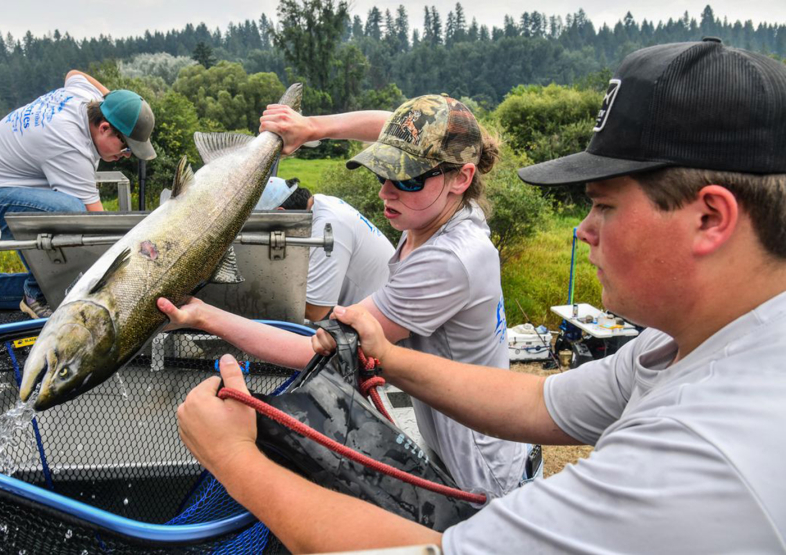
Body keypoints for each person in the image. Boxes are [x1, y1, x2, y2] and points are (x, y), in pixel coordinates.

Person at [174, 39, 786, 553]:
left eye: (603, 204)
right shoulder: (676, 346)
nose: (583, 230)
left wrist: (235, 459)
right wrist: (385, 354)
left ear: (711, 218)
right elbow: (541, 400)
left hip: (480, 475)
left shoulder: (700, 454)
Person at [161, 94, 529, 498]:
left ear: (462, 177)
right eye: (382, 174)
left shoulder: (448, 259)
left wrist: (205, 317)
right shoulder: (441, 207)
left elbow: (316, 351)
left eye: (406, 179)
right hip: (457, 441)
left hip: (480, 473)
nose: (386, 192)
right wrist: (314, 128)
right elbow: (399, 128)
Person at [0, 70, 156, 319]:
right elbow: (98, 229)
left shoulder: (87, 98)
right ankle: (38, 296)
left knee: (72, 282)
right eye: (125, 148)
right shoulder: (71, 145)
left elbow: (75, 74)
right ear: (104, 128)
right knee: (71, 213)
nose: (125, 156)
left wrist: (120, 104)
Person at [274, 180, 395, 321]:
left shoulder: (329, 227)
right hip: (366, 310)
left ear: (279, 213)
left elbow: (315, 311)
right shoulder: (320, 202)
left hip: (378, 324)